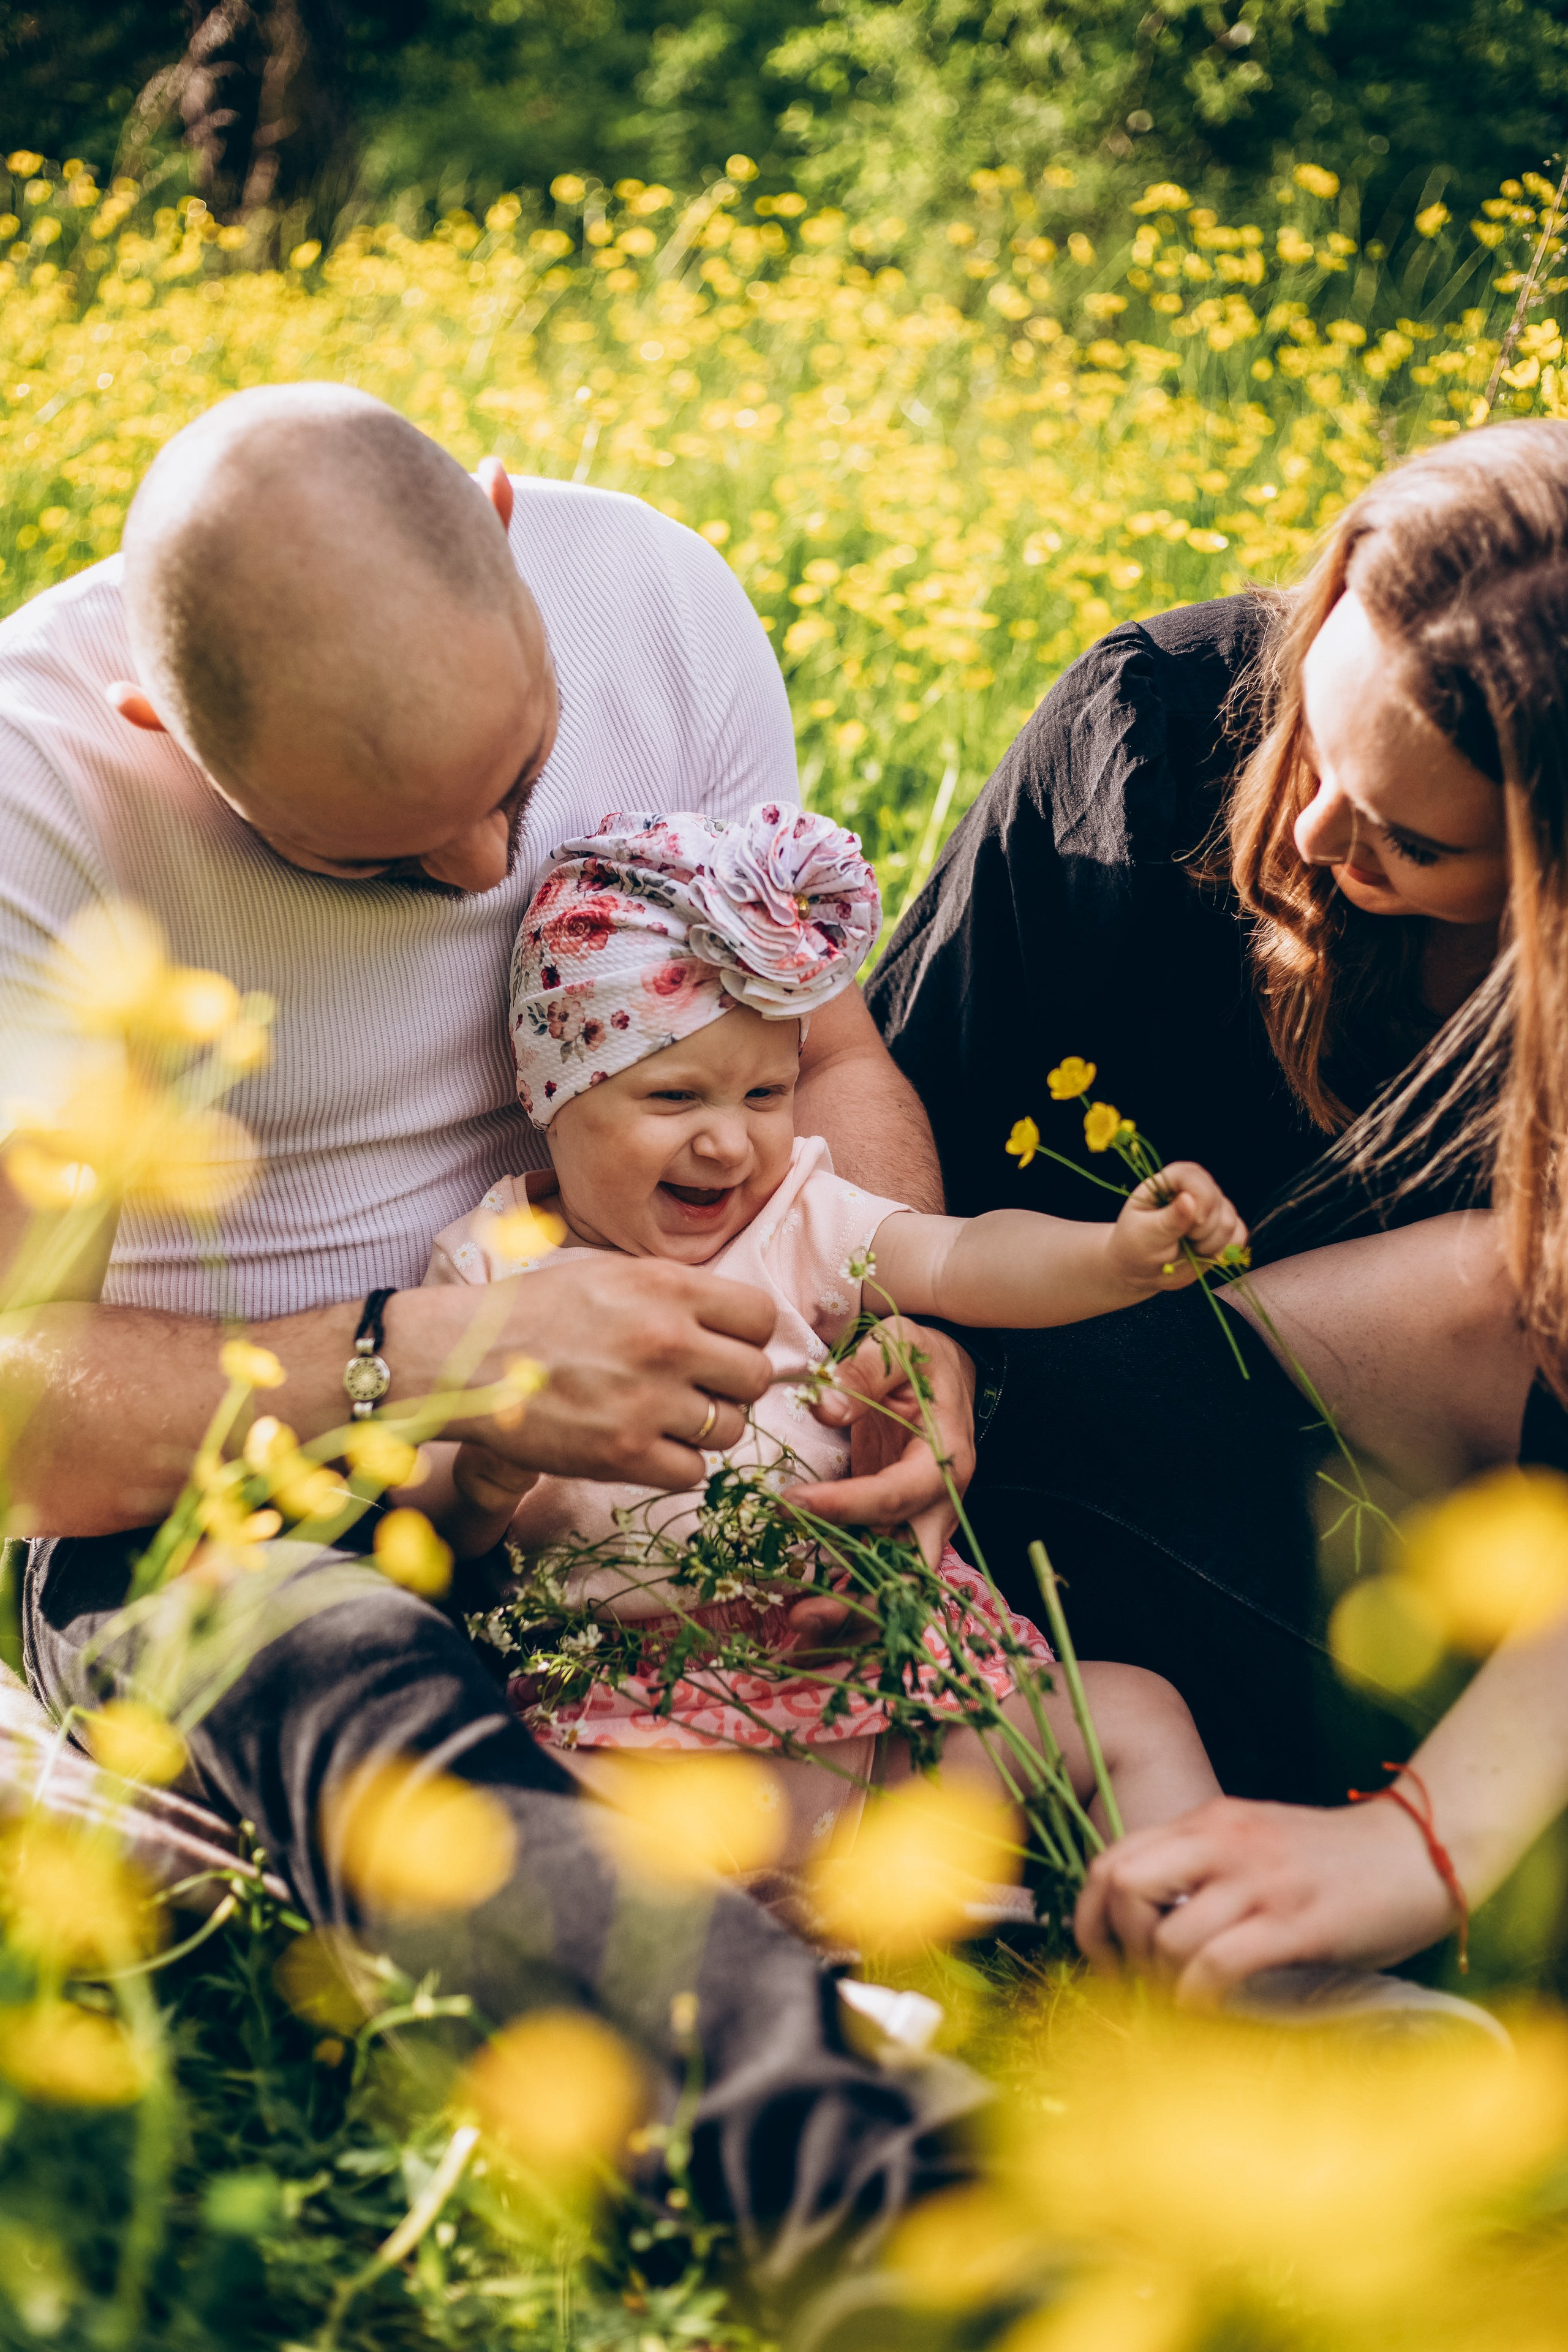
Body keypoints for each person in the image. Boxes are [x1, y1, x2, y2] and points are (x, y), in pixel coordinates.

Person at [4, 382, 982, 2253]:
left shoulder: (655, 594)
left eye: (520, 788)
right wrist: (427, 1364)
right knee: (359, 1697)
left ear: (509, 522)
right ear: (158, 730)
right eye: (373, 859)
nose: (479, 877)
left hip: (704, 1408)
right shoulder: (30, 797)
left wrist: (890, 1344)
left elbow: (830, 1055)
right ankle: (858, 2179)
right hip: (246, 1491)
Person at [873, 417, 1568, 1989]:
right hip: (1013, 1466)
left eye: (1414, 837)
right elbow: (889, 1105)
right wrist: (896, 1339)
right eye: (1316, 746)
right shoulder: (1156, 722)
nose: (1316, 839)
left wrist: (1420, 1841)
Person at [412, 802, 1227, 1855]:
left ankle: (1233, 1965)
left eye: (766, 1092)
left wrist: (1114, 1257)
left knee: (1132, 1715)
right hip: (644, 1736)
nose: (729, 1141)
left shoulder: (796, 1217)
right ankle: (773, 1973)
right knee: (510, 1818)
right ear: (549, 1092)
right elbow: (430, 1525)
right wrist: (483, 1473)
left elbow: (959, 1256)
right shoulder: (491, 1273)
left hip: (894, 1708)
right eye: (674, 1095)